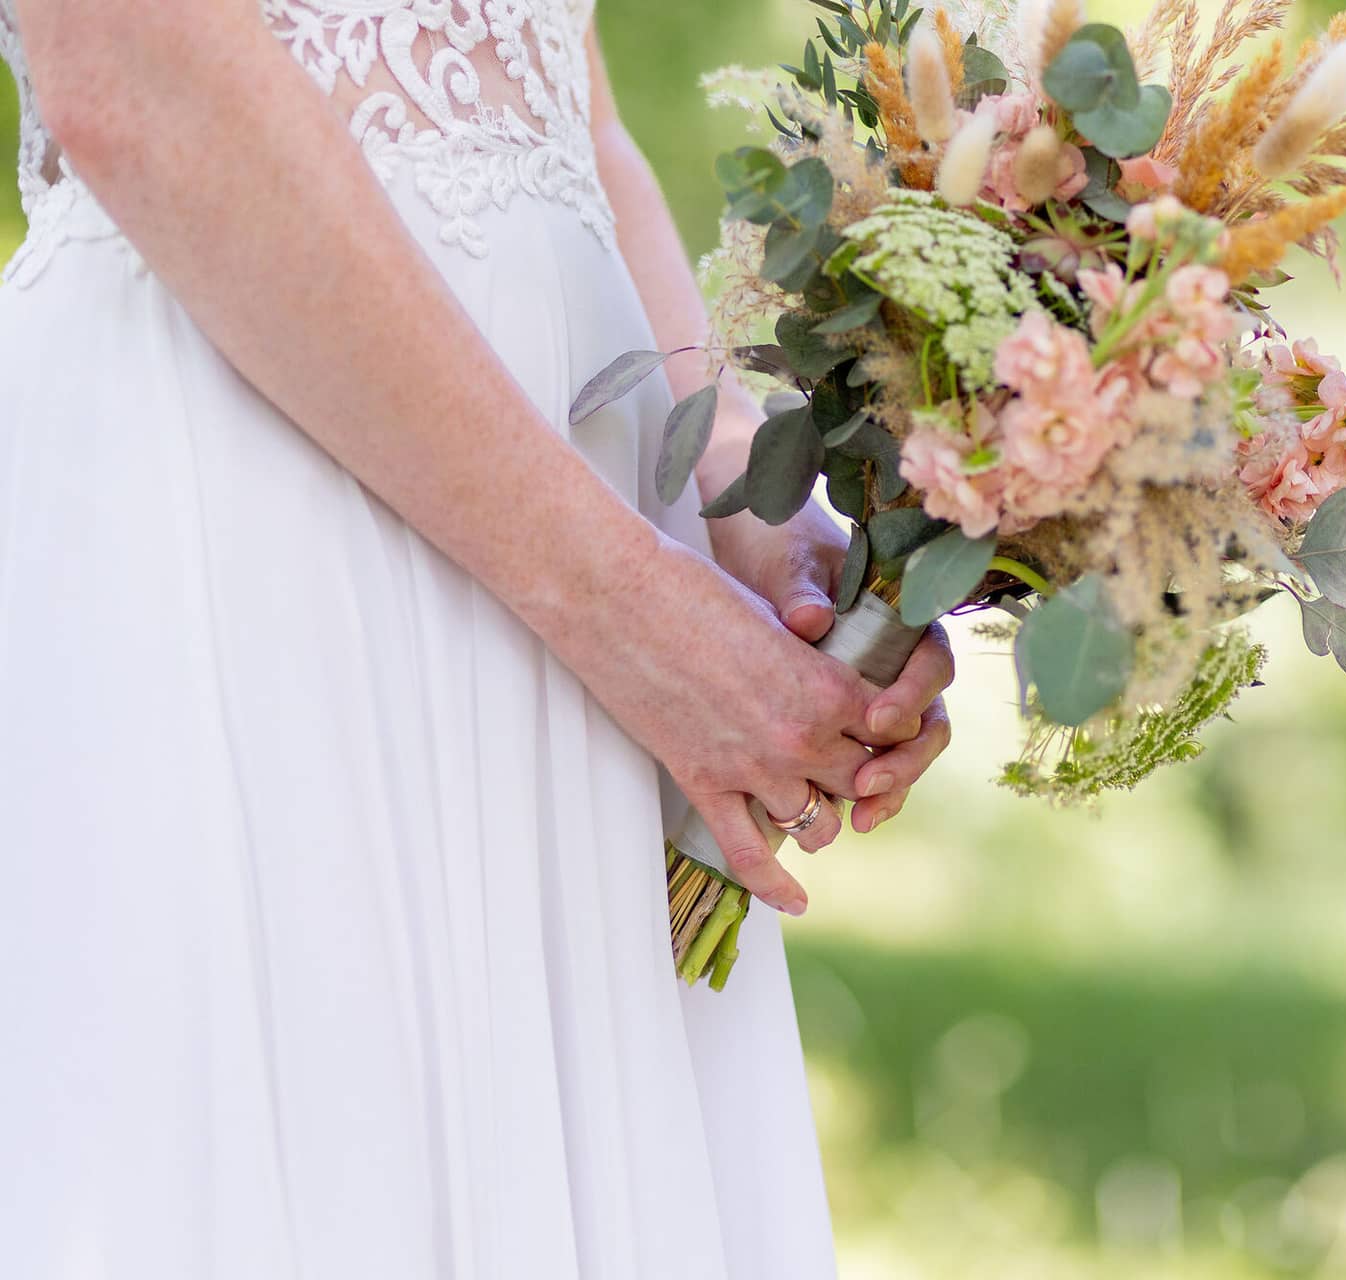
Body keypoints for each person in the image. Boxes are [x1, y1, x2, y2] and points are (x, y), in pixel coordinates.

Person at [0, 2, 954, 1274]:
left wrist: (743, 493)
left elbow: (574, 107)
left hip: (585, 489)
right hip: (257, 470)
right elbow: (137, 77)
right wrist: (628, 611)